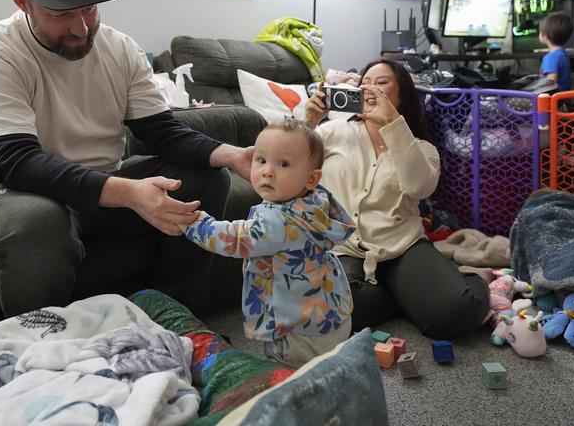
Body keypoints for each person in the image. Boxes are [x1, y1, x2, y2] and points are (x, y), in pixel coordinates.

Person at [0, 0, 251, 318]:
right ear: (22, 1)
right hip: (5, 189)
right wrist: (129, 192)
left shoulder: (121, 48)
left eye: (90, 9)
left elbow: (162, 133)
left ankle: (172, 318)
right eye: (61, 14)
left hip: (98, 181)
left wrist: (233, 155)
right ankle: (36, 352)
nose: (81, 28)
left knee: (209, 178)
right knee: (38, 220)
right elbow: (15, 162)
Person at [304, 58, 490, 339]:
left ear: (401, 95)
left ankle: (473, 277)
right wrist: (307, 122)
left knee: (457, 313)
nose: (370, 90)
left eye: (381, 84)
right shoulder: (332, 132)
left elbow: (419, 187)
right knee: (326, 312)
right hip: (345, 247)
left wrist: (391, 122)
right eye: (364, 83)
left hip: (403, 246)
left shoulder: (421, 148)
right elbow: (289, 168)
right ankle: (407, 297)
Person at [179, 118, 355, 367]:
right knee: (328, 364)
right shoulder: (317, 200)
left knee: (289, 373)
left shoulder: (277, 221)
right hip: (328, 308)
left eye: (283, 164)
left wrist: (194, 223)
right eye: (261, 160)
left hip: (296, 325)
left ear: (311, 178)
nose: (268, 171)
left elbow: (234, 239)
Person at [539, 12, 574, 92]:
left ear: (545, 35)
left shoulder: (551, 57)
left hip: (553, 102)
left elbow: (550, 84)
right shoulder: (562, 53)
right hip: (563, 99)